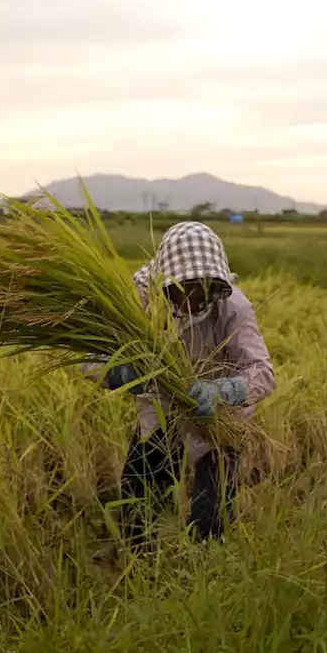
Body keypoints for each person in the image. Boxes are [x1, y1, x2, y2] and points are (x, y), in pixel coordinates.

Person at [83, 221, 275, 545]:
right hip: (161, 410)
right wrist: (123, 374)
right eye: (182, 287)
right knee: (138, 501)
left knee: (211, 515)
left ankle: (207, 574)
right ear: (165, 280)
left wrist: (223, 392)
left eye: (200, 287)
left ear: (213, 281)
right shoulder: (141, 302)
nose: (191, 297)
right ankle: (143, 569)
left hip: (220, 417)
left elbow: (262, 371)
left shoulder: (232, 306)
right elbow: (92, 357)